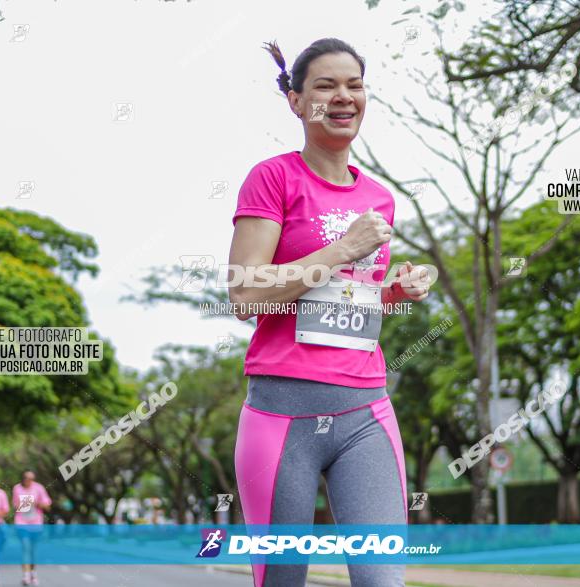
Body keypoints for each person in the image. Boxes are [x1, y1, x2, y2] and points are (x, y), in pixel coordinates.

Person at [227, 38, 433, 587]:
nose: (343, 97)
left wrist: (390, 292)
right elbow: (245, 295)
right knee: (282, 580)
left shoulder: (379, 198)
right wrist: (343, 248)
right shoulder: (273, 179)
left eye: (355, 85)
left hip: (366, 411)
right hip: (281, 416)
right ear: (295, 101)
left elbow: (340, 298)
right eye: (325, 85)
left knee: (383, 581)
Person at [12, 470, 52, 585]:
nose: (29, 481)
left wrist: (38, 503)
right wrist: (27, 503)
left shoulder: (39, 488)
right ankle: (26, 575)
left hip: (36, 524)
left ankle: (33, 573)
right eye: (26, 478)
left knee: (33, 551)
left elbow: (47, 505)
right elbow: (15, 506)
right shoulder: (17, 489)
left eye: (31, 478)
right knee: (25, 548)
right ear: (23, 478)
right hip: (22, 524)